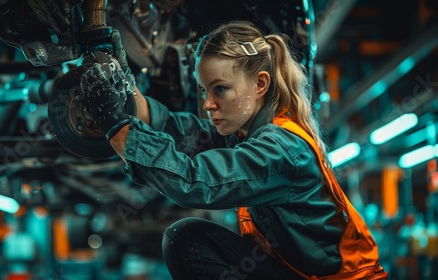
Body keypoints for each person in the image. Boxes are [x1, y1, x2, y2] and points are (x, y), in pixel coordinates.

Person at [79, 20, 388, 279]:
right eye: (204, 90)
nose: (207, 104)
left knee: (187, 240)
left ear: (260, 84)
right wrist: (124, 86)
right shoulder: (251, 134)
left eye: (220, 89)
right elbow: (182, 133)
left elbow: (194, 181)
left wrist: (115, 126)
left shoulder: (280, 149)